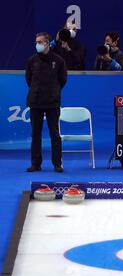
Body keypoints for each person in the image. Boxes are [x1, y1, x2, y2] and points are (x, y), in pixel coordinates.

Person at [25, 32, 67, 173]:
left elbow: (62, 80)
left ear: (47, 43)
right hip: (35, 102)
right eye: (36, 42)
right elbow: (29, 80)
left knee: (54, 134)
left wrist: (53, 91)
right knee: (35, 134)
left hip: (52, 103)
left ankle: (57, 164)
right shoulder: (32, 60)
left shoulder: (59, 61)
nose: (37, 44)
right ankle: (35, 164)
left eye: (40, 42)